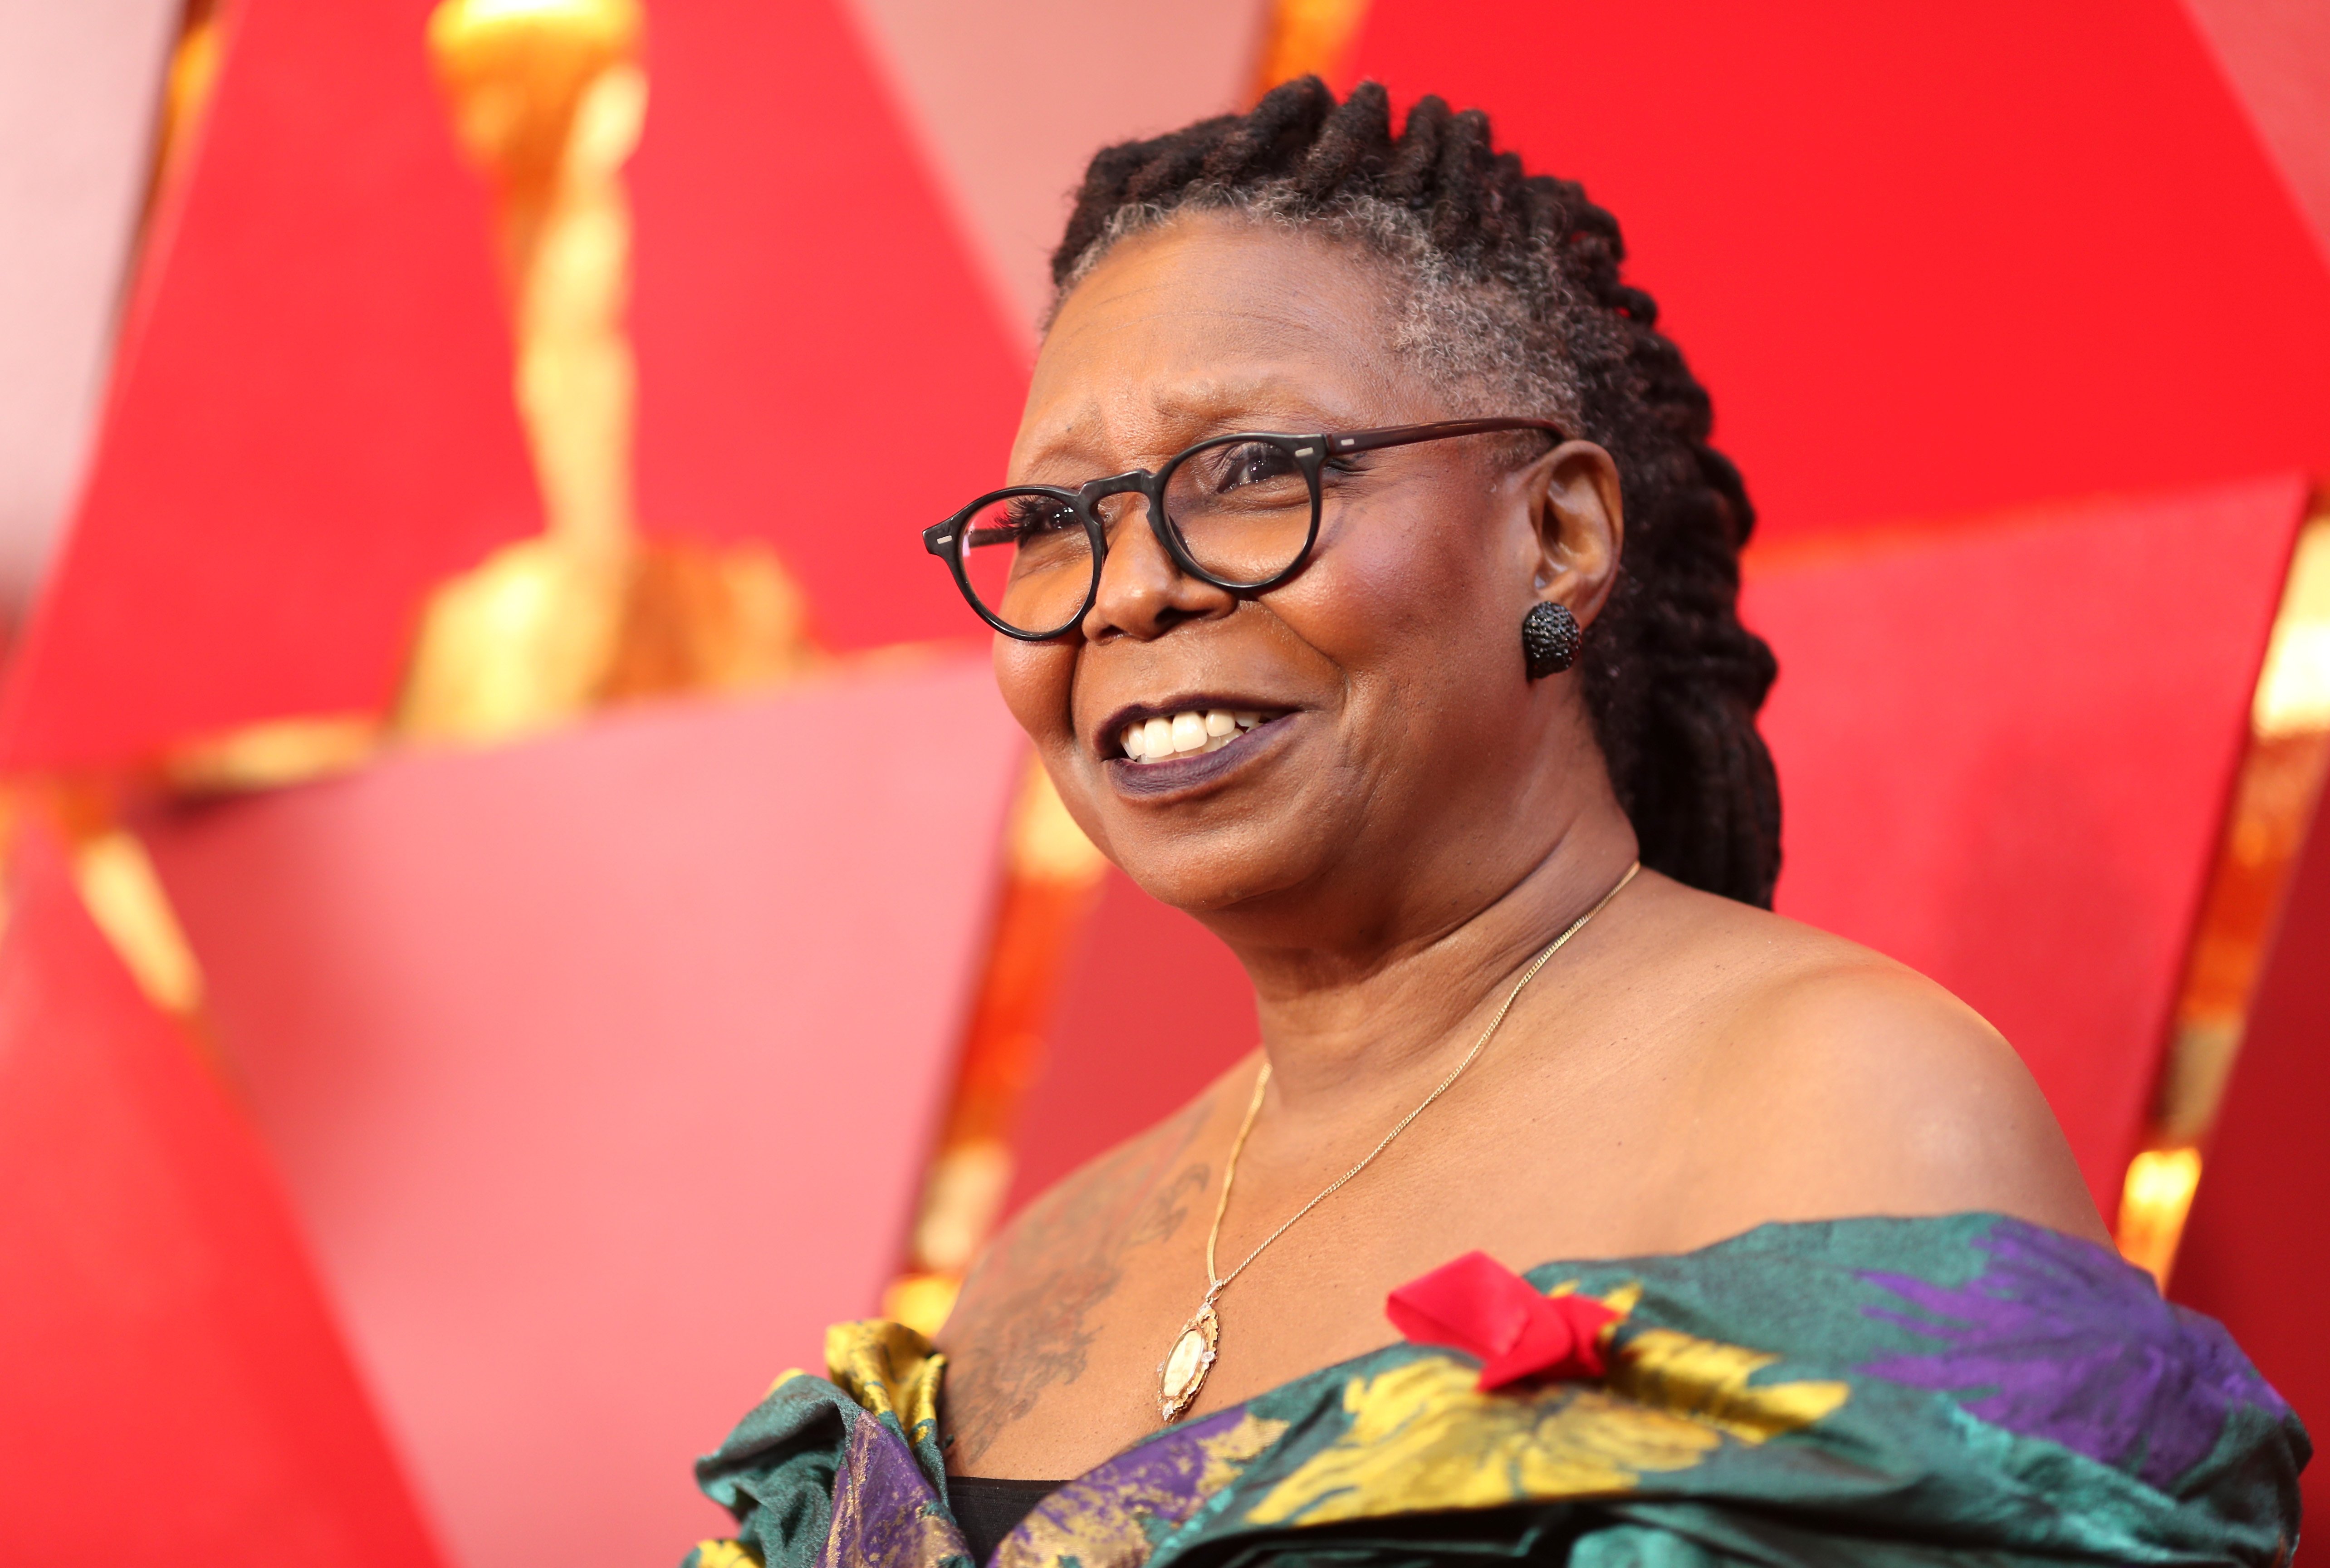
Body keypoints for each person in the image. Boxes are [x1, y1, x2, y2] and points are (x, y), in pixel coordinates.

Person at [681, 79, 2305, 1568]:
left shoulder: (1848, 1114)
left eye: (1249, 469)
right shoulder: (1044, 1257)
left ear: (1558, 534)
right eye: (1050, 523)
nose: (1131, 586)